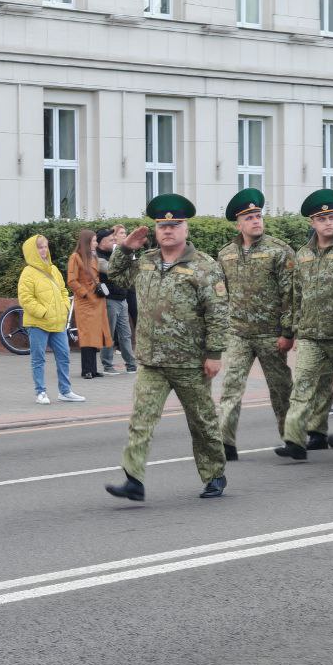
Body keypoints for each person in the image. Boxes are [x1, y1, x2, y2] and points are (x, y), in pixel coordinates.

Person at [104, 195, 229, 502]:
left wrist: (214, 354)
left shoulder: (204, 266)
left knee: (202, 422)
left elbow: (217, 312)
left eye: (175, 225)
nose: (168, 230)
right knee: (141, 420)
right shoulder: (146, 261)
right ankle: (133, 479)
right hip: (151, 360)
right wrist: (126, 249)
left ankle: (214, 474)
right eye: (162, 226)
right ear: (156, 230)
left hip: (190, 362)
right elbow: (117, 277)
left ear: (186, 229)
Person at [274, 191, 333, 460]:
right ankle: (295, 440)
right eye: (322, 219)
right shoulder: (303, 254)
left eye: (332, 217)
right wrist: (293, 330)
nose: (328, 222)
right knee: (302, 387)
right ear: (312, 222)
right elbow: (296, 295)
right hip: (311, 334)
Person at [215, 188, 295, 459]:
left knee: (281, 388)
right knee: (231, 388)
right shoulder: (226, 254)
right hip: (238, 333)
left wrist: (288, 332)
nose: (256, 221)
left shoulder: (279, 250)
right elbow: (221, 295)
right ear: (238, 224)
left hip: (271, 333)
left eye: (258, 216)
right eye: (249, 218)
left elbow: (290, 294)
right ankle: (225, 443)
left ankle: (292, 439)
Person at [17, 234, 86, 405]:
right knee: (38, 359)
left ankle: (65, 391)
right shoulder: (28, 273)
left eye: (45, 246)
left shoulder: (53, 269)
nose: (44, 250)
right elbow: (25, 298)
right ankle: (40, 392)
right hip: (38, 323)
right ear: (32, 250)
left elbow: (63, 290)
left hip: (57, 322)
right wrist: (43, 312)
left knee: (64, 356)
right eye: (40, 247)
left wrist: (65, 307)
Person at [67, 229, 111, 379]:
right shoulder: (75, 257)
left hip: (96, 300)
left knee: (94, 334)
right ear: (86, 242)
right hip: (85, 302)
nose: (96, 243)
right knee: (87, 335)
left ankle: (93, 369)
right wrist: (85, 293)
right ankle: (86, 370)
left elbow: (96, 277)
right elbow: (72, 281)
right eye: (94, 241)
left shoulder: (93, 256)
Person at [96, 227, 136, 374]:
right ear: (101, 242)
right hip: (109, 300)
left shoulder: (114, 253)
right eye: (110, 240)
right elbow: (111, 269)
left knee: (126, 334)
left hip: (122, 298)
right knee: (109, 334)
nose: (114, 242)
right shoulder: (97, 256)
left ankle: (131, 364)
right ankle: (107, 365)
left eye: (114, 239)